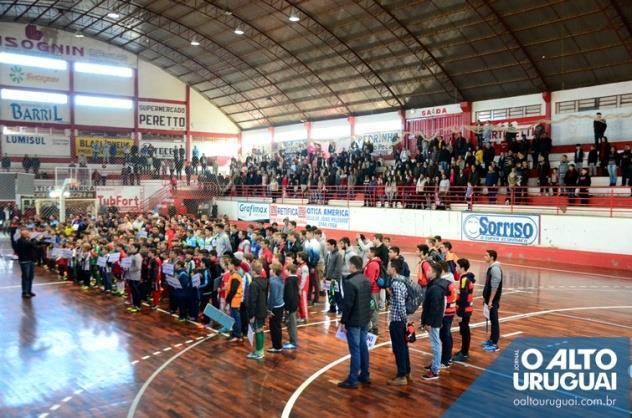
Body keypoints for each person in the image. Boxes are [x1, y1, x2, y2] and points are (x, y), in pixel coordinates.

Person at [338, 255, 372, 389]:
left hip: (354, 321)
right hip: (364, 318)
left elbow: (348, 305)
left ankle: (352, 379)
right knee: (363, 347)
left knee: (355, 350)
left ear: (352, 266)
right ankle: (364, 374)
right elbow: (369, 301)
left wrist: (343, 322)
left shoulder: (350, 283)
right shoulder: (366, 280)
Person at [421, 262, 449, 381]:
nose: (426, 272)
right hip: (434, 320)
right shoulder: (434, 285)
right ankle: (435, 364)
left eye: (428, 270)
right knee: (435, 343)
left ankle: (435, 370)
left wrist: (428, 322)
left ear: (433, 273)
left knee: (436, 344)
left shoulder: (436, 288)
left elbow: (434, 307)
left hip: (433, 321)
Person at [387, 258, 410, 386]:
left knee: (399, 348)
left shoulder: (396, 284)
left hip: (397, 320)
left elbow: (401, 304)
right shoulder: (402, 281)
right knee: (403, 347)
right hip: (401, 320)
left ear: (394, 269)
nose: (388, 268)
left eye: (389, 266)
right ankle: (407, 371)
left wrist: (404, 320)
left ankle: (401, 376)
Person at [453, 259, 475, 362]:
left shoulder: (464, 279)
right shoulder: (466, 278)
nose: (455, 268)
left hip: (464, 309)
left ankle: (464, 353)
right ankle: (463, 350)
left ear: (462, 268)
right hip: (467, 309)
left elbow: (463, 296)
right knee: (464, 330)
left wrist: (460, 313)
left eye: (457, 266)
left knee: (465, 331)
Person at [246, 261, 268, 360]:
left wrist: (251, 315)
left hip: (256, 312)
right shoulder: (264, 281)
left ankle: (259, 352)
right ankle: (260, 350)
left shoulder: (254, 284)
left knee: (258, 331)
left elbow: (252, 301)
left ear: (254, 271)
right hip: (262, 310)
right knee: (260, 330)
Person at [482, 250, 502, 352]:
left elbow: (495, 286)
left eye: (486, 255)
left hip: (492, 300)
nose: (484, 257)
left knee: (494, 321)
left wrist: (490, 301)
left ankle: (495, 344)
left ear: (492, 257)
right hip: (489, 299)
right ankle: (491, 340)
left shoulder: (495, 269)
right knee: (491, 320)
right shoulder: (491, 268)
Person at [225, 257, 244, 342]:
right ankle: (235, 334)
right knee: (234, 317)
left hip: (234, 301)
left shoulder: (236, 276)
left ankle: (237, 335)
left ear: (233, 265)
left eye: (229, 264)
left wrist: (227, 300)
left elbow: (233, 290)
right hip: (233, 300)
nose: (228, 266)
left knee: (236, 318)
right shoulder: (234, 275)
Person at [267, 263, 285, 353]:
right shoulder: (280, 279)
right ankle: (278, 345)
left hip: (275, 307)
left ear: (273, 271)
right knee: (277, 326)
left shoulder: (273, 282)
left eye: (271, 269)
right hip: (280, 305)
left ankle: (277, 346)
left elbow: (272, 297)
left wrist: (269, 309)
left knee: (274, 327)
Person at [16, 229, 38, 298]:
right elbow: (33, 245)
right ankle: (25, 292)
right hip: (25, 261)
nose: (30, 234)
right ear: (25, 235)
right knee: (26, 277)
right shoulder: (22, 241)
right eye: (28, 233)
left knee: (30, 277)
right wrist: (34, 239)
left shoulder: (24, 240)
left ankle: (29, 291)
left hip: (30, 260)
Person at [324, 239, 343, 314]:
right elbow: (326, 266)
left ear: (333, 245)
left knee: (337, 294)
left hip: (334, 279)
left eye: (328, 245)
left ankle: (341, 309)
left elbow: (338, 268)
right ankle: (332, 308)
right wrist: (325, 275)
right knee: (330, 294)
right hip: (328, 278)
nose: (327, 246)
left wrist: (333, 278)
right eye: (327, 245)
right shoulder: (329, 254)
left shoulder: (338, 255)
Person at [283, 263, 299, 350]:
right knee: (290, 324)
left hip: (291, 307)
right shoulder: (294, 280)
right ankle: (292, 340)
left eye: (286, 270)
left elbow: (290, 296)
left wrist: (288, 308)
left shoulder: (289, 281)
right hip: (293, 306)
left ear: (289, 271)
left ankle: (294, 342)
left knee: (292, 325)